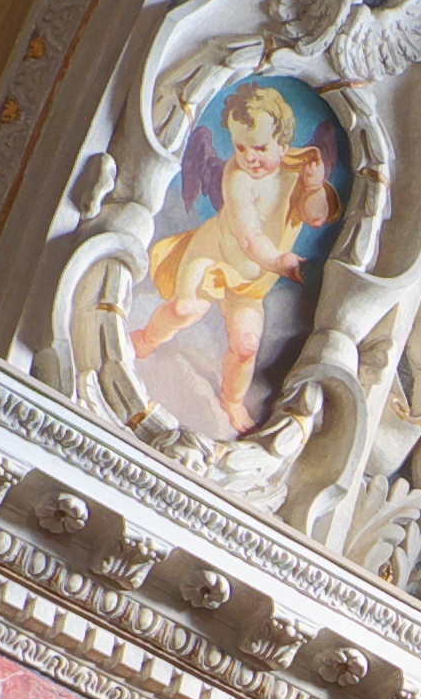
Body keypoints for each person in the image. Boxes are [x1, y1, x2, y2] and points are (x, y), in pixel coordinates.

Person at [126, 83, 337, 439]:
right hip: (212, 257)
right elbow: (248, 234)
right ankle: (146, 339)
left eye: (259, 147)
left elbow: (316, 217)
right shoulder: (237, 177)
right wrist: (279, 260)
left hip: (251, 282)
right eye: (240, 147)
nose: (249, 156)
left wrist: (315, 189)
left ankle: (232, 399)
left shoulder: (298, 170)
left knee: (246, 345)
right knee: (184, 309)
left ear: (283, 145)